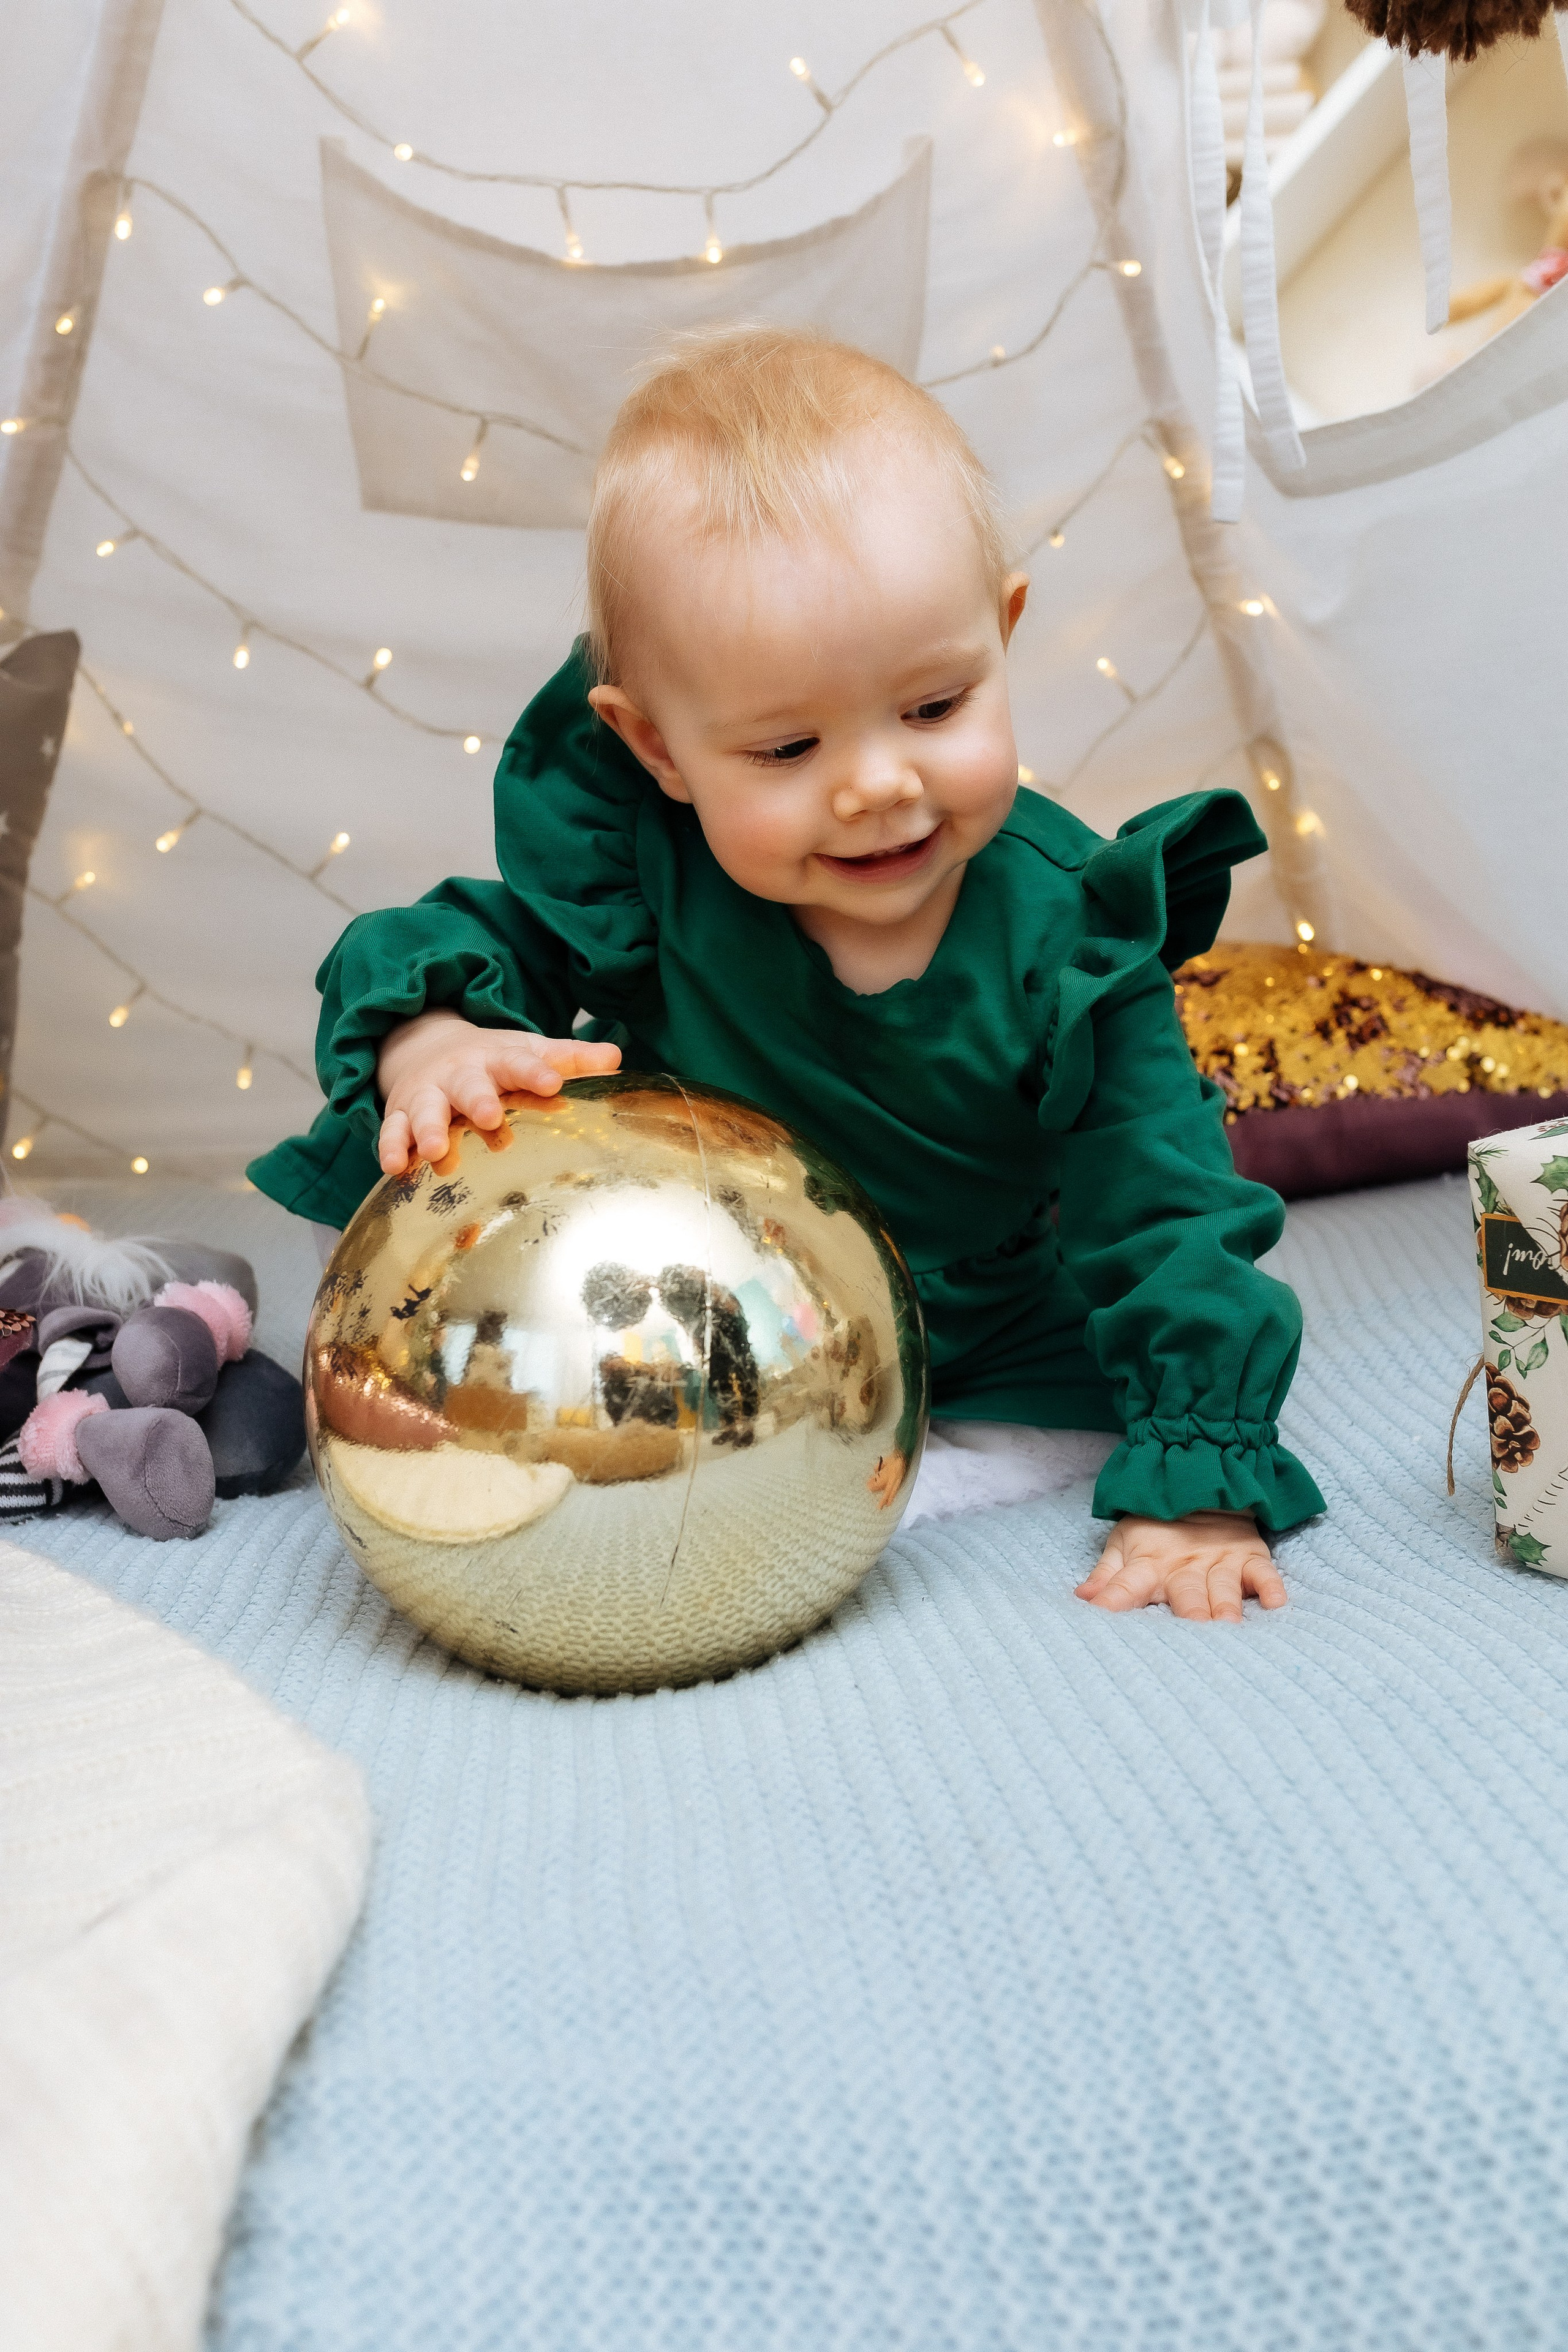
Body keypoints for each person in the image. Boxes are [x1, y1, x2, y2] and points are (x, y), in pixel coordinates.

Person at [250, 326, 1324, 1619]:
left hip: (978, 1331)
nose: (877, 783)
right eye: (784, 747)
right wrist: (429, 1035)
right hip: (706, 1305)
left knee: (1077, 1405)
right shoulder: (645, 871)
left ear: (1002, 630)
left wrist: (1197, 1480)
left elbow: (1164, 1207)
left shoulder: (1071, 935)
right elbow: (453, 940)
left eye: (933, 709)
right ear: (656, 749)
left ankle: (901, 1472)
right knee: (446, 1171)